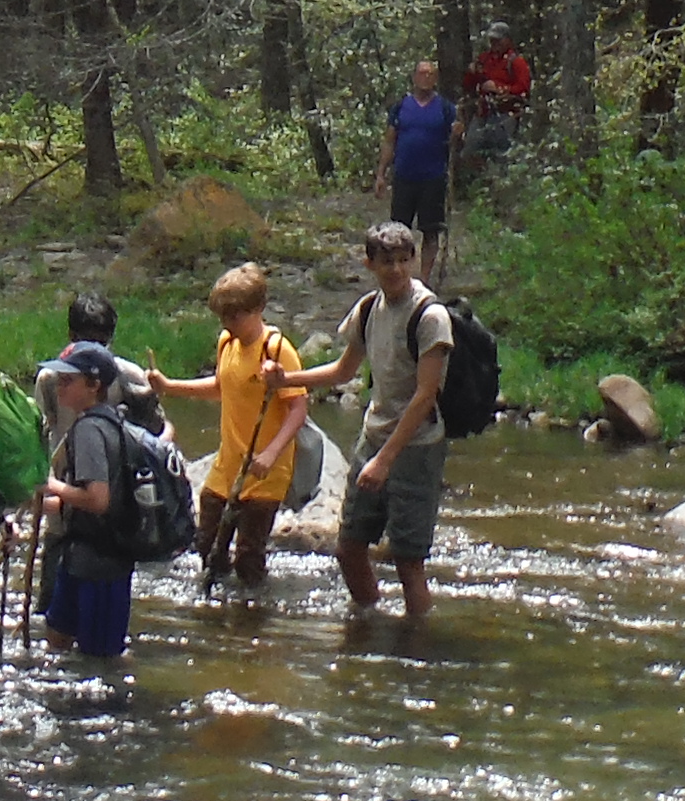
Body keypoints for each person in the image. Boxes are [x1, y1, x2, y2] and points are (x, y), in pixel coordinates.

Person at [270, 222, 455, 619]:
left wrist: (385, 459)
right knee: (349, 548)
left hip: (417, 446)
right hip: (373, 437)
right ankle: (368, 625)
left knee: (408, 561)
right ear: (369, 263)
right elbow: (342, 372)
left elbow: (426, 396)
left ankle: (414, 647)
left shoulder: (431, 316)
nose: (397, 270)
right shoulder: (369, 308)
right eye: (387, 262)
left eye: (404, 260)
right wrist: (287, 379)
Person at [189, 262, 309, 592]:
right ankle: (217, 608)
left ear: (257, 309)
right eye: (223, 317)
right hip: (228, 466)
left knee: (248, 556)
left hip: (266, 472)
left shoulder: (276, 349)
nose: (228, 324)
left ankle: (252, 617)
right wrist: (168, 386)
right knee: (207, 544)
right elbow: (220, 387)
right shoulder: (227, 343)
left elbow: (298, 408)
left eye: (235, 316)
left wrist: (271, 454)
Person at [34, 341, 141, 661]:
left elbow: (98, 500)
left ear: (94, 386)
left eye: (68, 381)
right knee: (57, 639)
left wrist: (51, 486)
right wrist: (55, 503)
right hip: (82, 555)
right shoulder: (110, 422)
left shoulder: (90, 430)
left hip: (101, 565)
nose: (59, 387)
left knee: (99, 661)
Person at [34, 291, 166, 443]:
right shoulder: (49, 380)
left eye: (100, 343)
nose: (92, 351)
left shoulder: (129, 376)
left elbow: (159, 433)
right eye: (85, 342)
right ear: (72, 336)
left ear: (110, 338)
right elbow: (38, 439)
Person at [378, 61, 457, 262]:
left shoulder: (446, 108)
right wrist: (381, 174)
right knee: (398, 233)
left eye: (431, 74)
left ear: (436, 79)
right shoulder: (401, 107)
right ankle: (399, 275)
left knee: (431, 231)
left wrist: (458, 133)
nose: (426, 77)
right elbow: (389, 140)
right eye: (422, 73)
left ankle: (424, 281)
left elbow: (456, 143)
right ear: (414, 77)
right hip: (404, 176)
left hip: (433, 178)